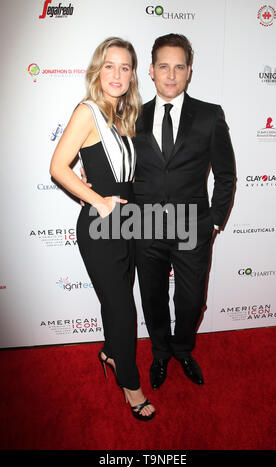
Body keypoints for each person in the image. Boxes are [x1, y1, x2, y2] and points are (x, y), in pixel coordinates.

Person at [50, 37, 155, 421]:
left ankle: (111, 352)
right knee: (124, 310)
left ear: (132, 75)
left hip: (128, 223)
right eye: (110, 65)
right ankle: (130, 383)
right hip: (100, 228)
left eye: (125, 67)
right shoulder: (88, 111)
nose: (117, 74)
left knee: (117, 300)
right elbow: (58, 166)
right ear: (98, 70)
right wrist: (95, 200)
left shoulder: (123, 115)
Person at [133, 34, 236, 390]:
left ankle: (182, 349)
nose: (171, 75)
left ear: (189, 71)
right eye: (164, 66)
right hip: (145, 228)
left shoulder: (210, 116)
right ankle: (160, 353)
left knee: (191, 301)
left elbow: (225, 175)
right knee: (152, 297)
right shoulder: (132, 116)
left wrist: (214, 223)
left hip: (193, 228)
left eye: (179, 67)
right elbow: (120, 171)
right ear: (151, 70)